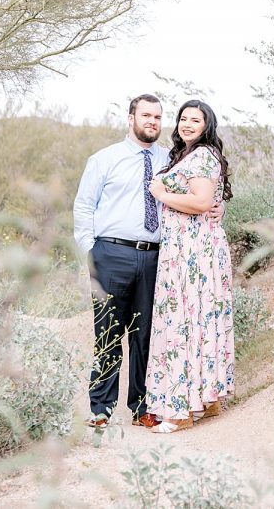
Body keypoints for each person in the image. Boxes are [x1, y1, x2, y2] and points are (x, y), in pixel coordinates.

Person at [73, 94, 222, 429]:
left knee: (148, 336)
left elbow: (200, 191)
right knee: (109, 333)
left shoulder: (171, 160)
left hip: (158, 256)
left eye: (157, 117)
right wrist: (90, 249)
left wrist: (218, 206)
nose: (152, 122)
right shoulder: (103, 159)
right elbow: (83, 206)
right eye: (146, 116)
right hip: (111, 253)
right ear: (131, 118)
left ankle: (143, 406)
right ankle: (101, 408)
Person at [144, 99, 236, 433]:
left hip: (193, 253)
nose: (187, 124)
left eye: (194, 120)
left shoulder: (202, 156)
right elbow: (208, 200)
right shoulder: (187, 156)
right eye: (183, 118)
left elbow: (199, 203)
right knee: (199, 320)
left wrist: (160, 193)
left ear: (206, 125)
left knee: (184, 321)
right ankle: (208, 399)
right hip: (186, 250)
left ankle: (181, 411)